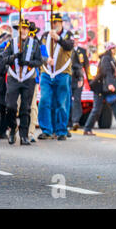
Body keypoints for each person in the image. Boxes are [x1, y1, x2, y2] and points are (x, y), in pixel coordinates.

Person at [2, 19, 42, 145]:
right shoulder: (11, 43)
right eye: (21, 28)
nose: (23, 30)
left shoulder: (34, 44)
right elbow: (4, 59)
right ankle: (13, 128)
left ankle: (24, 136)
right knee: (10, 106)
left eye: (26, 28)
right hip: (14, 78)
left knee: (26, 108)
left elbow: (39, 61)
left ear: (29, 30)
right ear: (18, 30)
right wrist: (14, 57)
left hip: (28, 79)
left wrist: (28, 63)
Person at [83, 42, 116, 136]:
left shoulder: (111, 59)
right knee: (96, 110)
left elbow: (111, 73)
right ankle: (87, 129)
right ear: (109, 49)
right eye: (113, 48)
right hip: (101, 88)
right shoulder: (106, 59)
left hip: (106, 88)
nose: (115, 50)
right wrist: (110, 84)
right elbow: (106, 72)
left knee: (115, 108)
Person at [38, 13, 74, 141]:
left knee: (61, 103)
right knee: (45, 100)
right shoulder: (44, 36)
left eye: (57, 22)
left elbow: (69, 45)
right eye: (52, 22)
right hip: (47, 72)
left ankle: (61, 131)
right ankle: (46, 130)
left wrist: (58, 39)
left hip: (62, 73)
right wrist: (46, 59)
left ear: (61, 23)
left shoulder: (68, 34)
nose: (54, 24)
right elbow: (41, 50)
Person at [70, 31, 90, 131]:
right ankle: (68, 121)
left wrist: (88, 80)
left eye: (77, 39)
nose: (75, 41)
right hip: (68, 77)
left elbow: (85, 65)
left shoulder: (82, 51)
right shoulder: (67, 50)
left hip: (78, 78)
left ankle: (75, 121)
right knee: (67, 99)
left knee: (77, 100)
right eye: (73, 39)